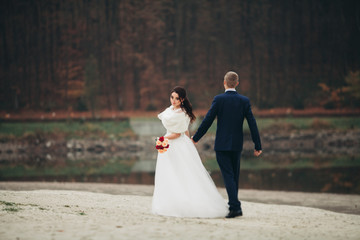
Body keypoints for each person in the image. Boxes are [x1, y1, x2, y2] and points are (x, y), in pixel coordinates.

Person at [192, 71, 262, 218]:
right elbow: (252, 123)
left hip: (222, 145)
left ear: (224, 82)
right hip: (237, 145)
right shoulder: (244, 101)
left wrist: (196, 137)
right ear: (237, 83)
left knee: (229, 176)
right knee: (234, 176)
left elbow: (208, 120)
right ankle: (235, 206)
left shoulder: (219, 99)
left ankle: (235, 207)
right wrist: (258, 145)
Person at [152, 86, 229, 218]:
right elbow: (185, 130)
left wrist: (163, 139)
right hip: (170, 144)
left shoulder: (182, 114)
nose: (173, 100)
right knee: (169, 173)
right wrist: (187, 142)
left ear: (182, 99)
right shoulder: (170, 110)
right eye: (172, 97)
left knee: (183, 173)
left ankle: (187, 203)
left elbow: (178, 133)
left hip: (175, 143)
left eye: (177, 98)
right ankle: (171, 202)